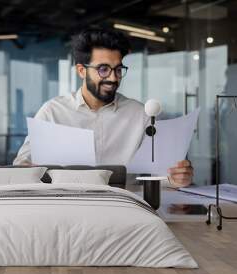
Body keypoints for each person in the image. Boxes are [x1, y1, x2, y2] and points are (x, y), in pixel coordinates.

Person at [13, 28, 193, 188]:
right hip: (66, 206)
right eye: (103, 69)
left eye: (118, 70)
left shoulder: (140, 115)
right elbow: (20, 166)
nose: (114, 78)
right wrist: (28, 172)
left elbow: (159, 173)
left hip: (125, 208)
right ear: (82, 70)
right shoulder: (52, 112)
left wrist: (176, 178)